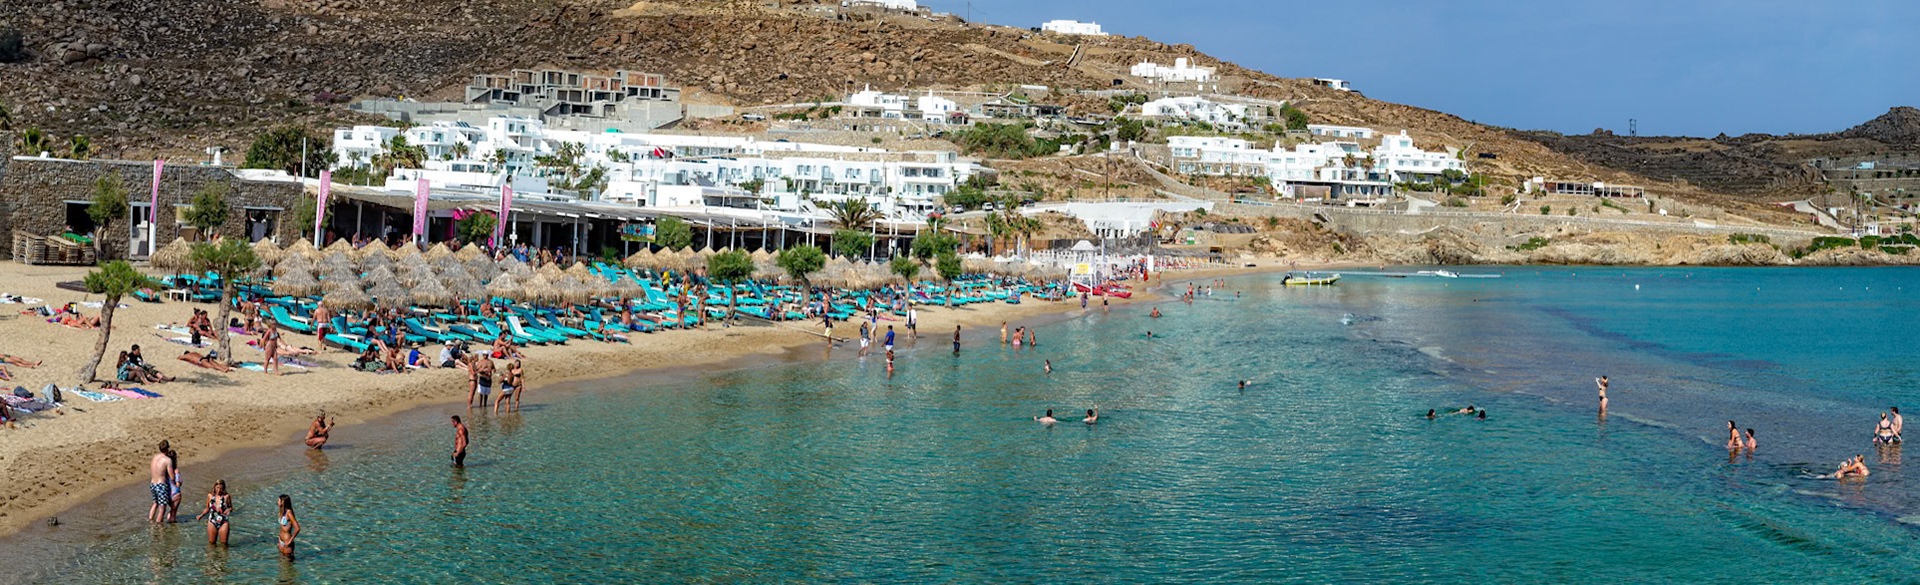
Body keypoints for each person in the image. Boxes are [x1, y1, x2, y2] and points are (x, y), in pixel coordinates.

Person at [195, 480, 234, 546]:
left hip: (224, 521)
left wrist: (229, 510)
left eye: (221, 488)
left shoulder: (226, 496)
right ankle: (212, 555)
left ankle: (223, 556)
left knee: (224, 544)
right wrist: (201, 515)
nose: (219, 490)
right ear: (214, 487)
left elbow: (231, 507)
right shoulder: (210, 496)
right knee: (212, 543)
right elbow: (207, 508)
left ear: (223, 488)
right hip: (212, 521)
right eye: (217, 488)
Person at [148, 441, 172, 524]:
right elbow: (171, 476)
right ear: (167, 448)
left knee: (155, 503)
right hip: (161, 485)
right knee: (162, 508)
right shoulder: (167, 460)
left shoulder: (155, 457)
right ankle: (159, 526)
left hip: (152, 483)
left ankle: (151, 521)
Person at [276, 494, 300, 560]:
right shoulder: (281, 512)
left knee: (288, 565)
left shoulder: (289, 513)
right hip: (281, 541)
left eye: (279, 500)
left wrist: (290, 541)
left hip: (287, 543)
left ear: (283, 502)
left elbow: (297, 528)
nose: (277, 502)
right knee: (281, 563)